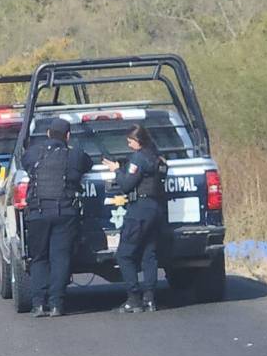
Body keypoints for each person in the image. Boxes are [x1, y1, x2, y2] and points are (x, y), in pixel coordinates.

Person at [22, 117, 92, 317]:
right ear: (68, 137)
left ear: (47, 134)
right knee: (60, 258)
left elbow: (24, 162)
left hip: (38, 213)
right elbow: (87, 164)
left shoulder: (34, 152)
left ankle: (38, 304)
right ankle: (56, 305)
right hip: (65, 213)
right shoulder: (75, 155)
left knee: (39, 258)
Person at [102, 125, 166, 313]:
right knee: (149, 254)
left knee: (124, 254)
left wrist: (116, 170)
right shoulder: (156, 156)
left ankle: (134, 298)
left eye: (130, 141)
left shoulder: (138, 158)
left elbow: (126, 184)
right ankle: (150, 299)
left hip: (139, 211)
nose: (128, 144)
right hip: (156, 209)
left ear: (139, 141)